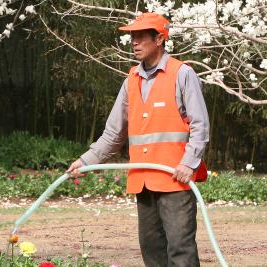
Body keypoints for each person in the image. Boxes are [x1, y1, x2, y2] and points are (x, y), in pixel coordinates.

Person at [67, 12, 210, 267]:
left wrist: (188, 163)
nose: (134, 42)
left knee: (180, 250)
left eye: (141, 37)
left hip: (175, 181)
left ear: (159, 39)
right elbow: (113, 133)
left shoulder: (182, 74)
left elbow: (200, 126)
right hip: (143, 182)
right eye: (132, 37)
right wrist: (86, 161)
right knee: (151, 251)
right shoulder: (130, 80)